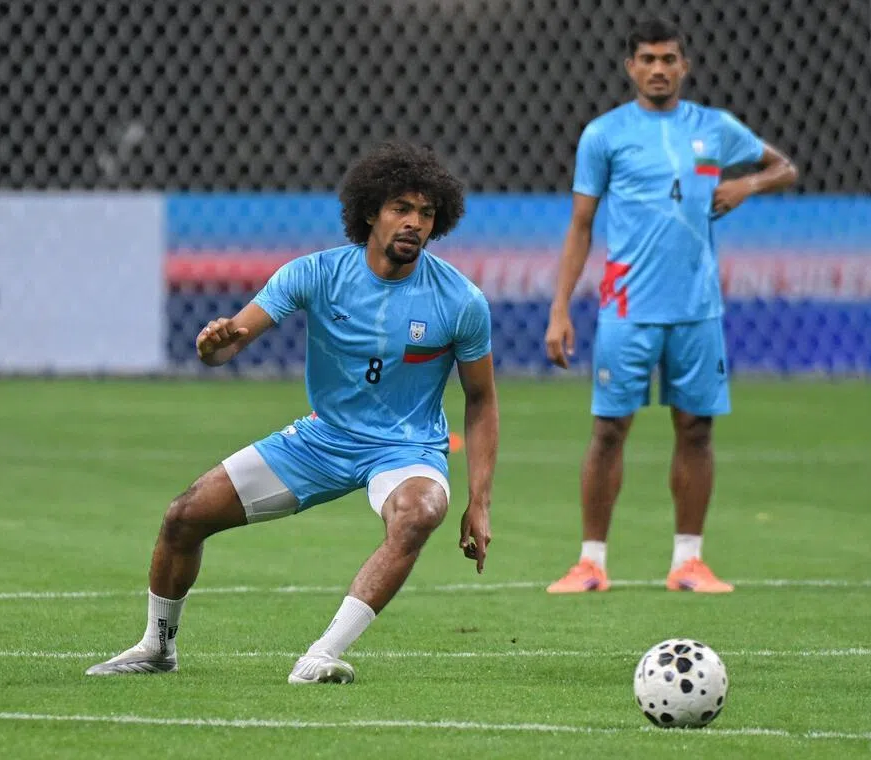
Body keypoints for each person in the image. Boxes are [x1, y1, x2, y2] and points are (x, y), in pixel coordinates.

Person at [86, 141, 498, 682]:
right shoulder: (315, 274)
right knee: (183, 517)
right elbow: (235, 338)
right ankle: (157, 647)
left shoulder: (461, 301)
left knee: (419, 513)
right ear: (370, 211)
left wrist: (479, 501)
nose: (414, 223)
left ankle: (322, 655)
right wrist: (215, 347)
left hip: (407, 449)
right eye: (401, 208)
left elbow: (482, 399)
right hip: (322, 441)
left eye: (426, 213)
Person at [544, 18, 798, 593]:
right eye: (647, 59)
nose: (658, 68)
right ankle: (591, 562)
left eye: (669, 58)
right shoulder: (604, 135)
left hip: (698, 307)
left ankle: (688, 561)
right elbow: (581, 224)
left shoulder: (715, 128)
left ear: (684, 66)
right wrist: (560, 309)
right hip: (627, 308)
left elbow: (785, 167)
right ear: (630, 67)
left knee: (697, 429)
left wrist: (746, 186)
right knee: (608, 430)